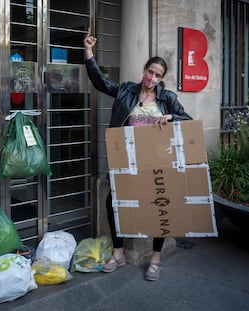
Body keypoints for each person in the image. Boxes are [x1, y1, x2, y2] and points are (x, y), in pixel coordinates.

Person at [83, 30, 192, 281]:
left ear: (162, 78)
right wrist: (88, 51)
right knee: (114, 204)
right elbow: (100, 82)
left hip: (156, 161)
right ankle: (118, 253)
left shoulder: (168, 98)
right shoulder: (126, 91)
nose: (152, 77)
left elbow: (188, 121)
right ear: (144, 69)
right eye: (150, 71)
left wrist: (171, 116)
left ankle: (155, 258)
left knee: (159, 206)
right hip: (126, 160)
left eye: (158, 75)